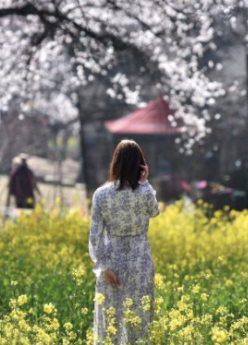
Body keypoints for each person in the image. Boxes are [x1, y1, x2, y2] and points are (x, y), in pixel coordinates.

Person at [89, 139, 160, 345]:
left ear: (116, 163)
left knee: (111, 323)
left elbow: (95, 236)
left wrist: (103, 267)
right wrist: (145, 183)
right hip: (140, 262)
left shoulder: (101, 194)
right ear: (139, 165)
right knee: (140, 322)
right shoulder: (145, 192)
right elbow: (155, 212)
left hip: (113, 264)